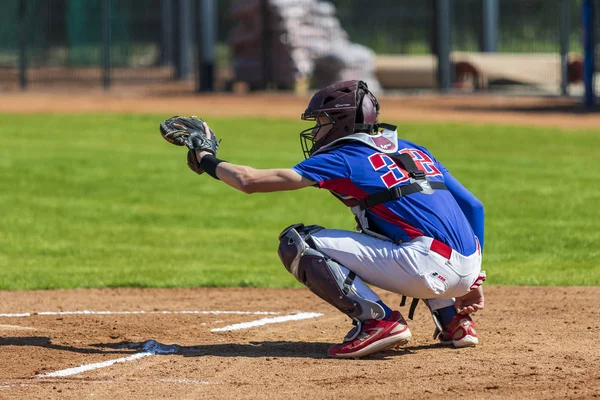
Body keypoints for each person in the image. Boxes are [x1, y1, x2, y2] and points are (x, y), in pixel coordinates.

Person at [159, 80, 486, 359]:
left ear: (343, 122)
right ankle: (453, 320)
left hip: (425, 268)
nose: (316, 130)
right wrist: (472, 280)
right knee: (409, 228)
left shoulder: (344, 155)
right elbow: (474, 207)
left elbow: (250, 181)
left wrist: (206, 158)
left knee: (297, 242)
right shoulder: (413, 149)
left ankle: (378, 322)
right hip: (468, 268)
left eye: (323, 121)